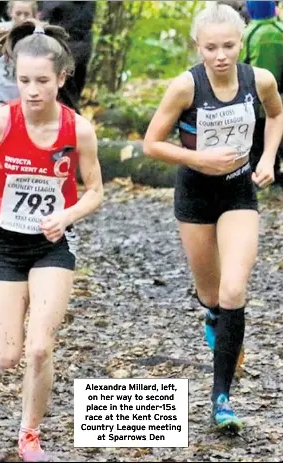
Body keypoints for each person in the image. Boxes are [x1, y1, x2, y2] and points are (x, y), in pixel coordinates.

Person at [0, 14, 104, 462]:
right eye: (23, 80)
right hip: (5, 246)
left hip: (52, 247)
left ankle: (30, 435)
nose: (33, 90)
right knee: (5, 357)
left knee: (39, 346)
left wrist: (69, 214)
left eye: (42, 80)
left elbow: (95, 190)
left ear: (61, 78)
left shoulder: (78, 130)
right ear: (13, 78)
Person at [143, 2, 283, 433]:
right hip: (196, 198)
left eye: (228, 46)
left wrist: (269, 159)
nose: (220, 56)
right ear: (198, 47)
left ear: (241, 42)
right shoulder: (185, 87)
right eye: (211, 48)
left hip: (240, 192)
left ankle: (221, 399)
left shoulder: (259, 79)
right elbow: (151, 143)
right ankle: (212, 315)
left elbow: (276, 115)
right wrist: (198, 158)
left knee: (234, 289)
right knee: (211, 294)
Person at [239, 1, 283, 188]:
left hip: (252, 101)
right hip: (278, 98)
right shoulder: (280, 30)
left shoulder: (248, 34)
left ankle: (257, 178)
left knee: (255, 140)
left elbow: (240, 63)